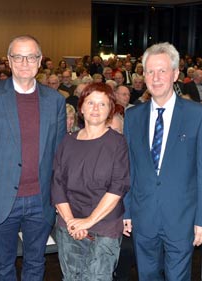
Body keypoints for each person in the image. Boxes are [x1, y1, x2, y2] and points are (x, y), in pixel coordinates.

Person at [0, 35, 66, 280]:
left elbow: (60, 154)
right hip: (1, 199)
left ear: (40, 61)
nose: (25, 62)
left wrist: (60, 197)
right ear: (9, 61)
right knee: (3, 265)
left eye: (31, 56)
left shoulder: (54, 100)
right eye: (18, 56)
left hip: (40, 200)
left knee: (35, 263)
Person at [123, 42, 202, 281]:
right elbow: (129, 168)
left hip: (182, 217)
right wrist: (126, 211)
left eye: (162, 70)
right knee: (147, 275)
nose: (156, 77)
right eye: (150, 71)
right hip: (143, 216)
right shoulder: (132, 116)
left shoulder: (198, 115)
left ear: (175, 74)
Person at [51, 82, 130, 280]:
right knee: (72, 278)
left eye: (102, 104)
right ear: (81, 108)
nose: (95, 108)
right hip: (69, 223)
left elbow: (117, 187)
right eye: (91, 103)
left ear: (110, 110)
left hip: (104, 225)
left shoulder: (118, 143)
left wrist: (88, 221)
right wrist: (72, 222)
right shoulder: (67, 141)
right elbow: (57, 184)